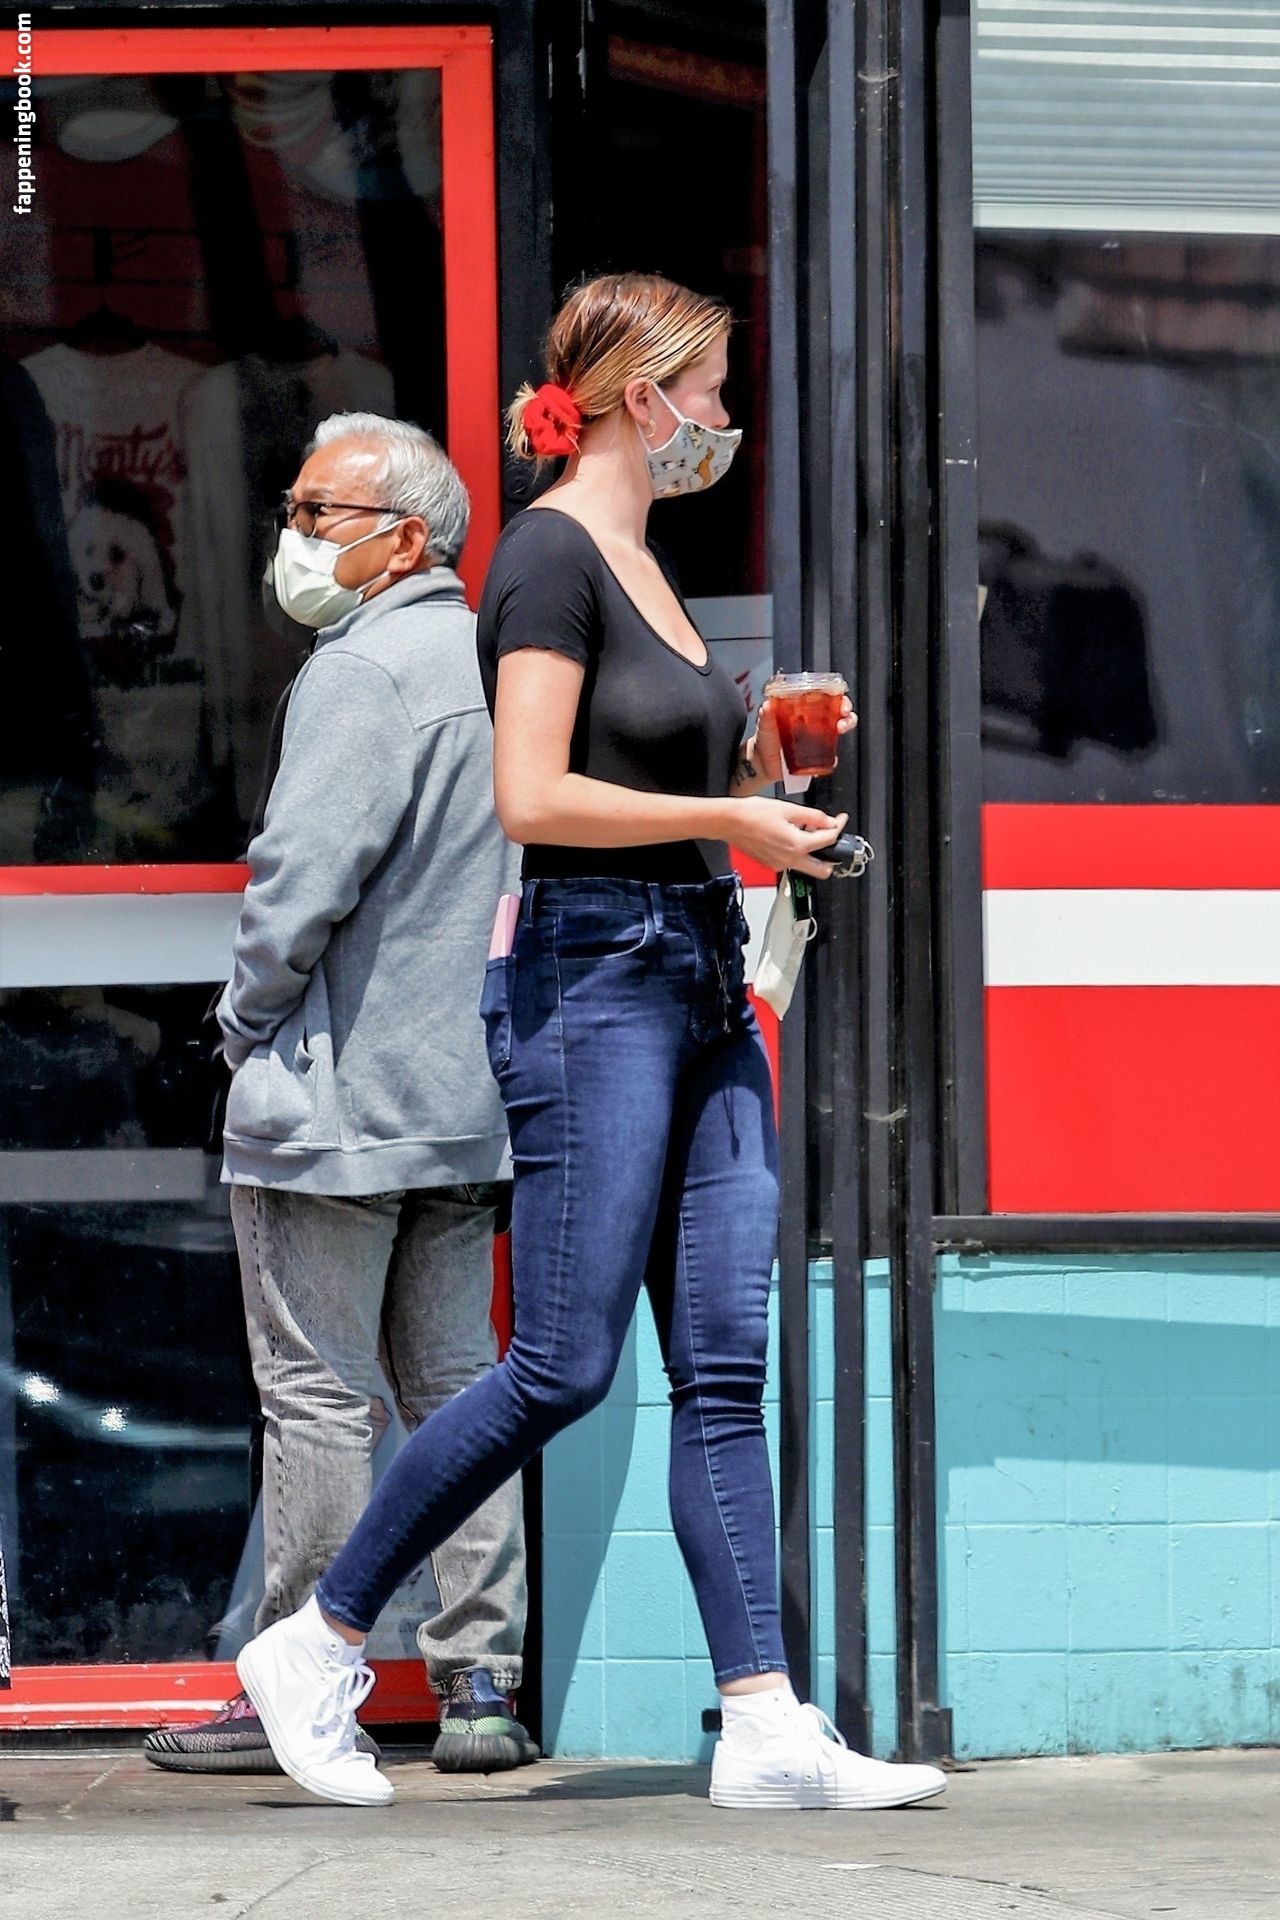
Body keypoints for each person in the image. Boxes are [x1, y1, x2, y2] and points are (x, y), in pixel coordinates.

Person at [232, 276, 948, 1814]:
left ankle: (762, 1721)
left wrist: (766, 763)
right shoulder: (547, 558)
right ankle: (319, 1638)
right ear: (644, 396)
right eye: (714, 391)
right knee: (561, 1361)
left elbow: (670, 782)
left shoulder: (646, 560)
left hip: (699, 976)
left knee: (724, 1366)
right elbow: (534, 796)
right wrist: (728, 816)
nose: (725, 422)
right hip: (593, 979)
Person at [145, 414, 535, 1778]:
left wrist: (240, 1023)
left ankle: (294, 1685)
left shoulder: (362, 671)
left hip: (335, 1103)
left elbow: (298, 880)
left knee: (316, 1394)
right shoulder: (498, 661)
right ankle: (480, 1680)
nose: (295, 536)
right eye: (297, 510)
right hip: (464, 1095)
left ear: (407, 539)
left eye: (320, 514)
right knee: (456, 1386)